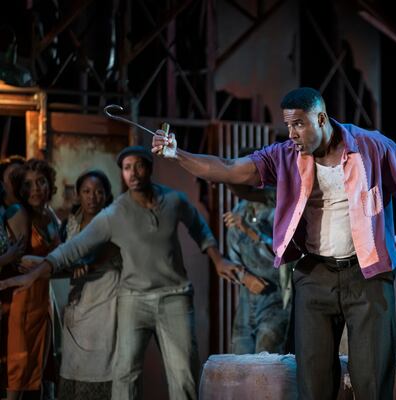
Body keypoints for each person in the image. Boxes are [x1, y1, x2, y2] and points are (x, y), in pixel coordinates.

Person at [150, 87, 396, 399]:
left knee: (372, 380)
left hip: (368, 276)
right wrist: (177, 153)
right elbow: (229, 169)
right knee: (314, 383)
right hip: (314, 276)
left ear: (321, 119)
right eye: (288, 125)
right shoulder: (284, 156)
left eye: (298, 124)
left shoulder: (370, 147)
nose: (291, 133)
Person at [0, 146, 241, 400]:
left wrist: (218, 259)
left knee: (184, 376)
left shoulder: (174, 200)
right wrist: (35, 272)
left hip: (174, 296)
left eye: (138, 166)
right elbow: (71, 249)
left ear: (149, 168)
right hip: (133, 298)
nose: (133, 173)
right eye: (127, 168)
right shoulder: (115, 213)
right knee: (125, 376)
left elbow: (198, 227)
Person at [55, 170, 120, 400]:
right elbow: (60, 260)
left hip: (105, 299)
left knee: (103, 363)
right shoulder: (69, 224)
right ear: (78, 195)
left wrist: (89, 265)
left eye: (99, 192)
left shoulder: (114, 222)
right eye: (87, 191)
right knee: (74, 365)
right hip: (77, 301)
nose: (93, 197)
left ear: (107, 195)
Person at [1, 159, 61, 400]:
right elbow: (19, 259)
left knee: (39, 374)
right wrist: (54, 262)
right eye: (28, 184)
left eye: (41, 182)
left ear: (49, 184)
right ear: (20, 189)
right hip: (21, 302)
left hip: (43, 301)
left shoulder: (50, 215)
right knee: (18, 371)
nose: (36, 189)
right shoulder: (19, 212)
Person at [224, 165, 291, 354]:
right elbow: (232, 256)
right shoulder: (240, 209)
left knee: (266, 360)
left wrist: (251, 231)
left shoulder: (280, 205)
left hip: (276, 296)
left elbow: (284, 254)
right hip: (247, 298)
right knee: (241, 360)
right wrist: (243, 276)